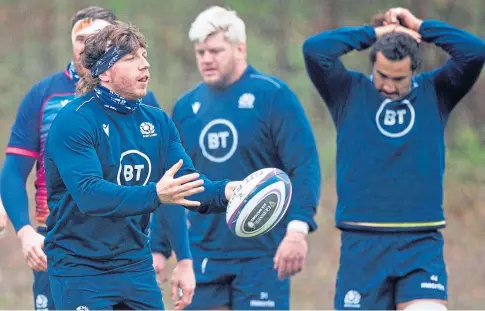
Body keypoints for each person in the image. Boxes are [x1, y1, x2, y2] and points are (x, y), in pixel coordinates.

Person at [43, 21, 239, 311]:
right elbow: (90, 195)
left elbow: (187, 186)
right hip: (78, 269)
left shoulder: (158, 122)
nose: (145, 66)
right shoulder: (75, 121)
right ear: (105, 72)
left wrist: (230, 191)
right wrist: (156, 195)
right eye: (131, 59)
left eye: (144, 56)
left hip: (134, 265)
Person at [302, 7, 485, 311]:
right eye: (383, 75)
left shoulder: (435, 92)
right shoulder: (347, 92)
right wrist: (374, 34)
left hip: (420, 242)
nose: (388, 85)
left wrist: (421, 27)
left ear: (414, 70)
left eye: (398, 79)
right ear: (373, 64)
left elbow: (474, 52)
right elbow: (315, 50)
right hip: (362, 244)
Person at [151, 6, 321, 310]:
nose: (205, 58)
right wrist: (159, 247)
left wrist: (297, 231)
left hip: (263, 254)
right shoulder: (186, 107)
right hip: (202, 252)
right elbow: (174, 182)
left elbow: (304, 166)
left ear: (240, 48)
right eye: (200, 51)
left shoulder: (273, 96)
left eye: (215, 50)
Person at [0, 7, 118, 311]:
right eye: (80, 38)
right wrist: (25, 233)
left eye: (97, 38)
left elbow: (159, 177)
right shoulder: (43, 94)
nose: (87, 46)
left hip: (120, 248)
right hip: (55, 243)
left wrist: (165, 250)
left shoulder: (135, 96)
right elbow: (14, 171)